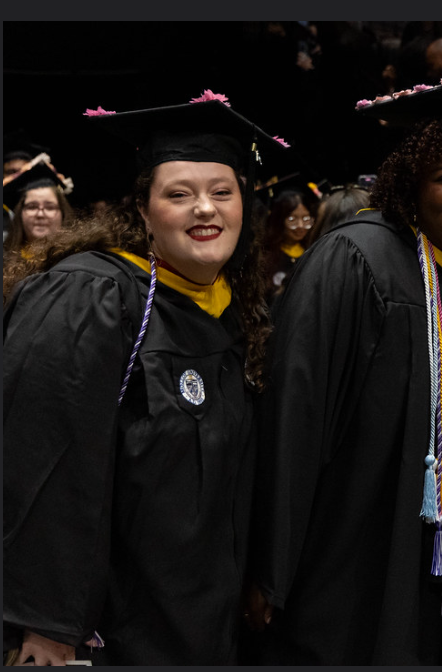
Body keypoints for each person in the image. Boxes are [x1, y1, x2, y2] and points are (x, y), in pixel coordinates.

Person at [248, 76, 442, 665]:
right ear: (411, 183)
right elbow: (294, 416)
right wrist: (269, 571)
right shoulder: (354, 261)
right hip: (354, 548)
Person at [3, 90, 284, 665]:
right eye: (179, 194)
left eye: (222, 193)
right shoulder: (94, 297)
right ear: (142, 211)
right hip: (112, 628)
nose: (205, 209)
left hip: (206, 622)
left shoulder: (236, 312)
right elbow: (44, 462)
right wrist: (46, 625)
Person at [258, 175, 321, 302]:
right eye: (292, 219)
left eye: (306, 219)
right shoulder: (265, 257)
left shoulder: (315, 251)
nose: (300, 226)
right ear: (279, 220)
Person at [2, 159, 74, 258]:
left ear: (63, 212)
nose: (40, 214)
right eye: (32, 207)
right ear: (20, 213)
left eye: (49, 207)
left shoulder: (75, 258)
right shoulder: (5, 260)